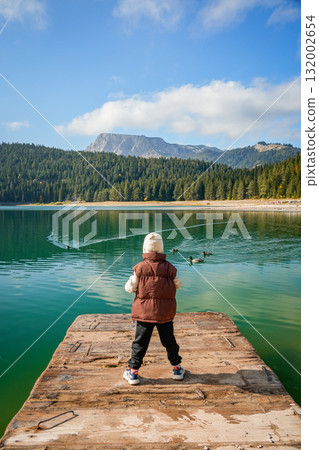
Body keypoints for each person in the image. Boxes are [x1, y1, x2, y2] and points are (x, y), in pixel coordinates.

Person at [123, 232, 185, 385]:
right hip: (165, 313)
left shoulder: (139, 268)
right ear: (161, 248)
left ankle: (133, 373)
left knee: (140, 343)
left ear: (145, 249)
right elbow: (178, 284)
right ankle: (177, 369)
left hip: (144, 313)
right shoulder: (170, 268)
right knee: (169, 341)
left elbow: (129, 288)